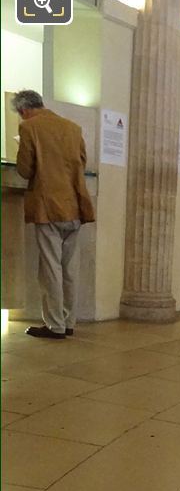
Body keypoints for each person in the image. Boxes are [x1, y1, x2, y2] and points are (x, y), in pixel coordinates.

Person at [13, 90, 95, 340]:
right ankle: (69, 321)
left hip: (48, 207)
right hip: (75, 205)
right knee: (69, 268)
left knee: (50, 268)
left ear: (24, 110)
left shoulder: (29, 127)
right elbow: (82, 160)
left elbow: (25, 170)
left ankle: (55, 325)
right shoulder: (72, 127)